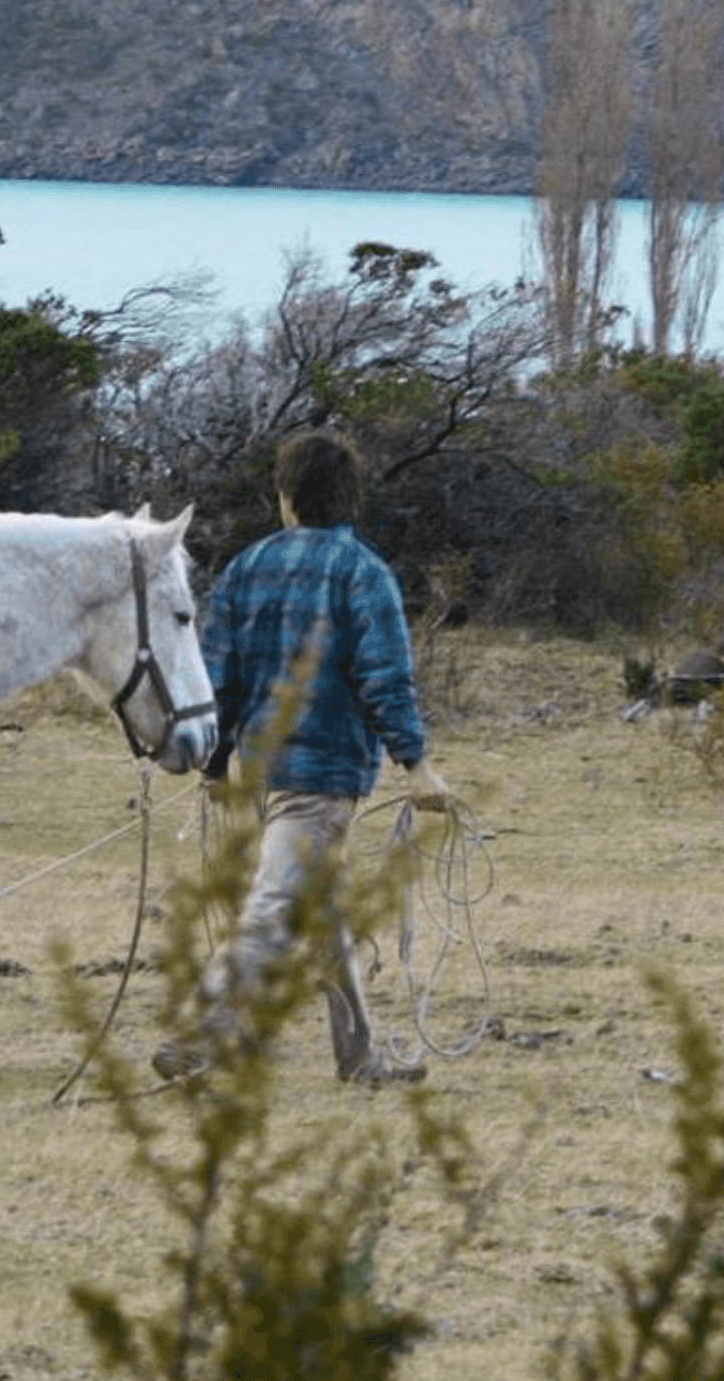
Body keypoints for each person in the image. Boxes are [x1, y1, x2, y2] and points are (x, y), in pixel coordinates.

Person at [156, 428, 453, 1089]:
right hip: (321, 779)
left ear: (285, 495)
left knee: (320, 913)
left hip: (263, 772)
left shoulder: (246, 567)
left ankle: (361, 1061)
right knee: (276, 908)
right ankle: (198, 1037)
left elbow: (218, 677)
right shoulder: (363, 571)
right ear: (349, 495)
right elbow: (385, 676)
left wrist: (213, 765)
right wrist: (416, 765)